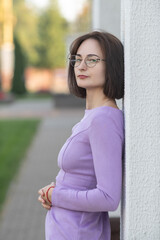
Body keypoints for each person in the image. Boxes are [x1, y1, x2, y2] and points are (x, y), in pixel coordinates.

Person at [38, 31, 125, 240]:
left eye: (92, 60)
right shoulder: (93, 117)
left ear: (111, 65)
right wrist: (54, 191)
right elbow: (82, 179)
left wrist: (55, 195)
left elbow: (108, 197)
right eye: (77, 59)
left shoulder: (102, 120)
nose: (81, 66)